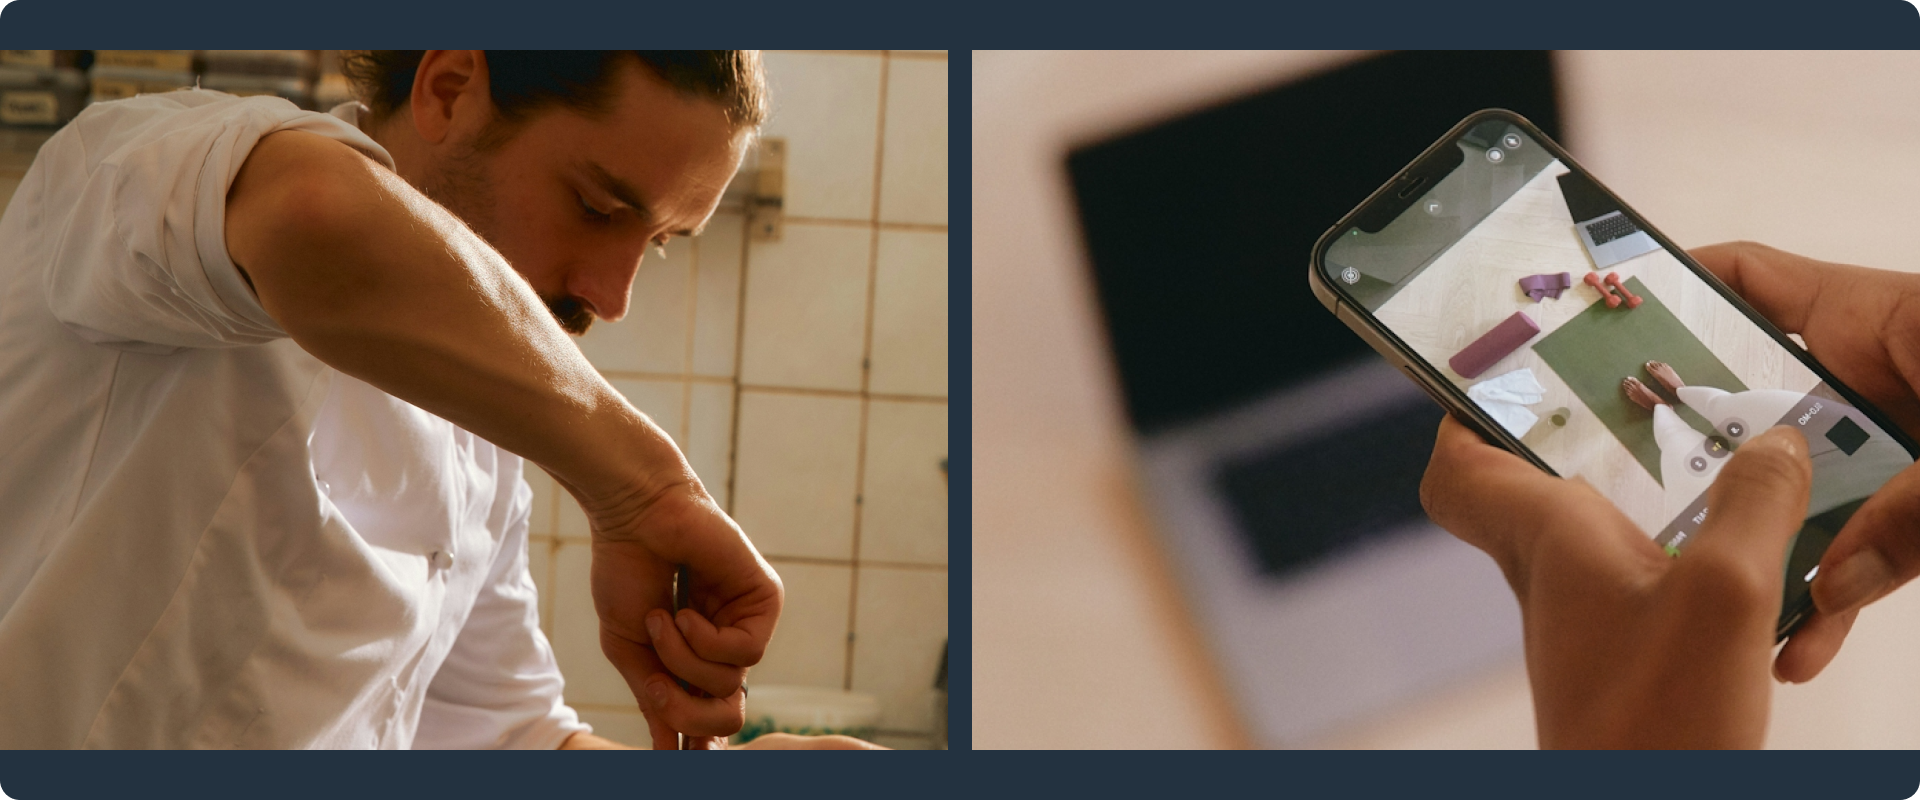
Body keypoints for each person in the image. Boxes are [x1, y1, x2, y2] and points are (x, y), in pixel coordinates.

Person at [0, 50, 854, 750]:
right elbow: (316, 214)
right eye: (595, 207)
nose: (615, 293)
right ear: (450, 89)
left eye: (658, 244)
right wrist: (643, 491)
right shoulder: (146, 163)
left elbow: (509, 734)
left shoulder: (488, 430)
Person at [1422, 241, 1920, 748]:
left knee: (1696, 464)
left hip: (1836, 486)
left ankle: (1667, 408)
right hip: (1854, 469)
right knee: (1744, 418)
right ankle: (1677, 398)